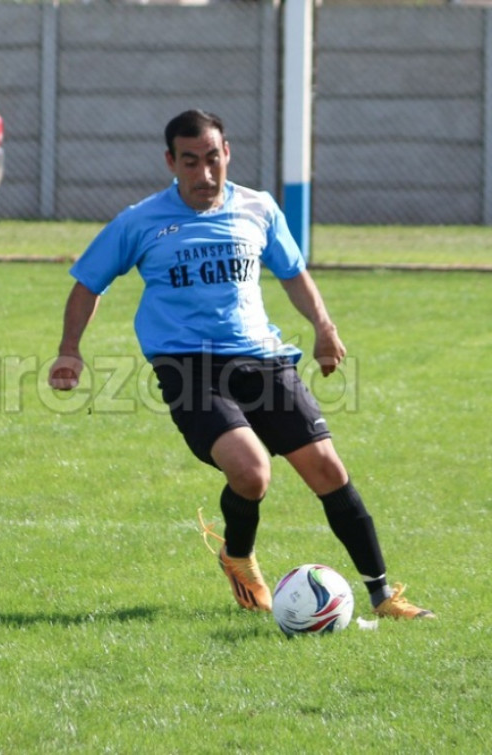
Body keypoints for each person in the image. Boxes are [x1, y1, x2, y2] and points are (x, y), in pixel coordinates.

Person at [48, 109, 433, 621]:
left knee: (327, 468)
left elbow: (292, 272)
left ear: (227, 152)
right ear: (170, 162)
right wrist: (70, 350)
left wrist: (324, 327)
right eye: (190, 161)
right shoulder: (140, 221)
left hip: (265, 360)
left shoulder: (259, 207)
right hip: (189, 368)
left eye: (213, 158)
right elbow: (88, 283)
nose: (205, 173)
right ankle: (238, 555)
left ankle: (383, 597)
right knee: (251, 472)